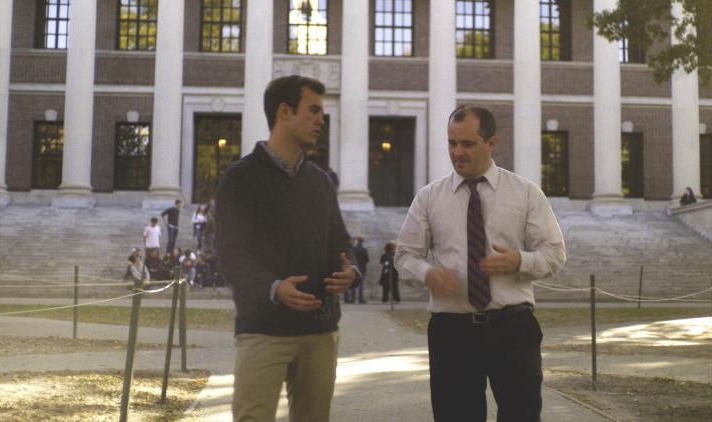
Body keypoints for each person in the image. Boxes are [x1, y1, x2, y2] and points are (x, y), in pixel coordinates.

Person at [395, 105, 566, 422]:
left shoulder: (525, 193)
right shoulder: (429, 197)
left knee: (522, 415)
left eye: (467, 144)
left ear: (491, 143)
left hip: (513, 328)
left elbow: (554, 253)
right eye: (452, 143)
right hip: (452, 331)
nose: (457, 152)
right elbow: (405, 256)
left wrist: (519, 261)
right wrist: (427, 273)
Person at [217, 75, 360, 422]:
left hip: (320, 332)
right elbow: (230, 255)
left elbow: (340, 243)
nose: (320, 120)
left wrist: (351, 271)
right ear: (284, 112)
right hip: (263, 330)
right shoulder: (240, 178)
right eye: (313, 110)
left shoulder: (321, 181)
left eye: (322, 113)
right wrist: (274, 288)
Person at [345, 237, 369, 303]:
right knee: (361, 284)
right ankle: (360, 299)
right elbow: (367, 260)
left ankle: (353, 299)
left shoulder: (353, 249)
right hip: (362, 268)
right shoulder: (364, 250)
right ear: (362, 241)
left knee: (354, 282)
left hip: (354, 267)